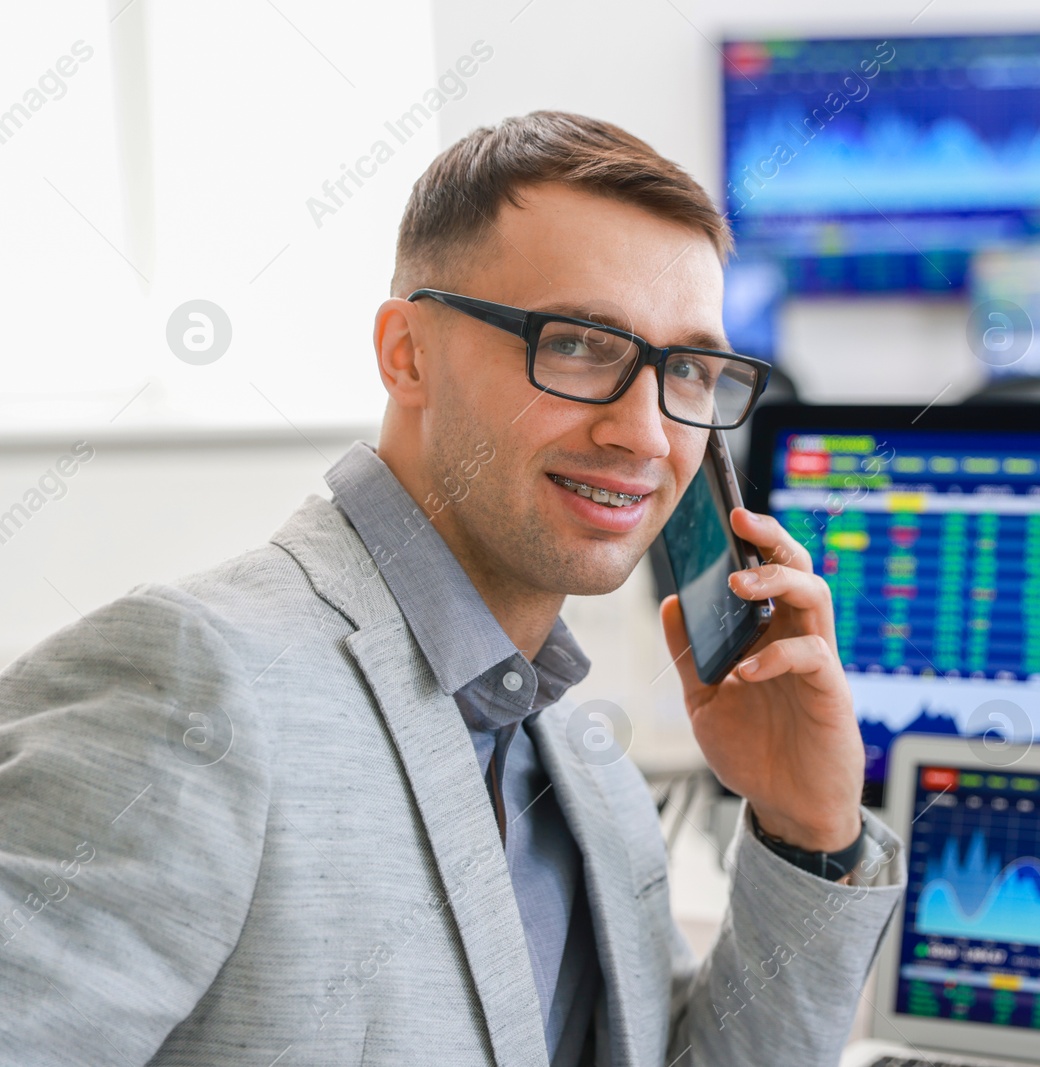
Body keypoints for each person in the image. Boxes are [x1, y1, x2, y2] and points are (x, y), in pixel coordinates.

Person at [0, 110, 905, 1066]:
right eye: (578, 344)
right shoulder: (192, 683)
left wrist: (806, 829)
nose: (645, 434)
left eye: (687, 369)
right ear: (407, 353)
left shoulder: (590, 780)